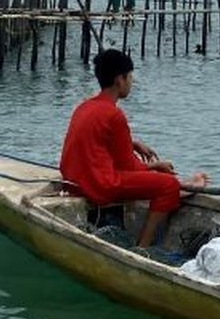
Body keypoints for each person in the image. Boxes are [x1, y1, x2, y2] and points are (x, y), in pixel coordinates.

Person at [60, 48, 207, 248]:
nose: (132, 82)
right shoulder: (114, 115)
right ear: (119, 80)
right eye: (130, 77)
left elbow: (98, 139)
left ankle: (177, 187)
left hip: (73, 181)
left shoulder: (85, 106)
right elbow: (128, 167)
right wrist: (155, 167)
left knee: (159, 179)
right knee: (167, 185)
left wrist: (133, 143)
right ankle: (143, 246)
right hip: (98, 185)